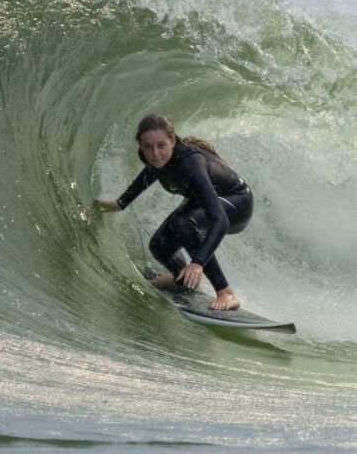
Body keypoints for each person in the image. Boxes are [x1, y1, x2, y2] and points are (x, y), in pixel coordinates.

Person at [95, 113, 253, 311]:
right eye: (148, 147)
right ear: (141, 146)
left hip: (237, 203)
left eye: (161, 145)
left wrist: (197, 263)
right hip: (204, 202)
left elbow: (220, 221)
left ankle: (226, 293)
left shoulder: (190, 163)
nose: (155, 153)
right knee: (159, 246)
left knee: (182, 222)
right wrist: (120, 203)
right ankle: (180, 280)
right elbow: (150, 174)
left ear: (172, 140)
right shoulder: (154, 158)